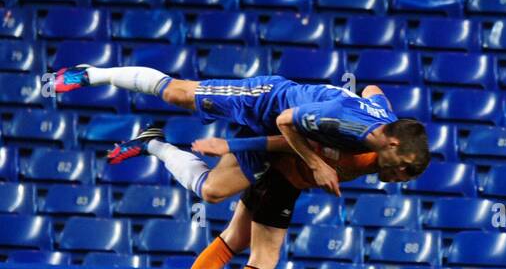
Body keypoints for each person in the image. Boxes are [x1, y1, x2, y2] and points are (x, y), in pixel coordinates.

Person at [151, 132, 380, 269]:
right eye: (405, 172)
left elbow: (372, 89)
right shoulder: (369, 146)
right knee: (264, 256)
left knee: (233, 238)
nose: (400, 177)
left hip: (265, 168)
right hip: (284, 178)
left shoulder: (372, 130)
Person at [49, 66, 429, 198]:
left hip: (284, 126)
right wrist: (317, 165)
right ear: (393, 143)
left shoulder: (383, 117)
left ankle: (154, 146)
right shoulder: (344, 122)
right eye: (404, 166)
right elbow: (286, 122)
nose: (399, 175)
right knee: (180, 93)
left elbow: (372, 91)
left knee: (212, 192)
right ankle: (92, 74)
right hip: (265, 101)